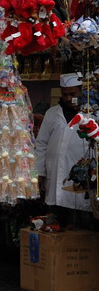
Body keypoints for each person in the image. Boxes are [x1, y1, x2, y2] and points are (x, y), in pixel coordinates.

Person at [36, 73, 91, 212]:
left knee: (80, 213)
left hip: (81, 177)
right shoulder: (52, 113)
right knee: (57, 213)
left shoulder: (92, 115)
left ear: (81, 91)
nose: (68, 98)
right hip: (54, 175)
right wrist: (40, 172)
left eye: (72, 94)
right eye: (64, 94)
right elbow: (41, 144)